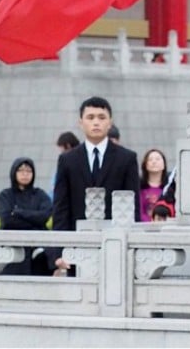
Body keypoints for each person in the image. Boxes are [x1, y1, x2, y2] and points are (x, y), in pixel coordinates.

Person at [51, 96, 139, 274]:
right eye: (90, 118)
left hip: (116, 245)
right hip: (78, 246)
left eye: (101, 117)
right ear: (81, 123)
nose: (96, 122)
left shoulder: (127, 158)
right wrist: (58, 251)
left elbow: (133, 207)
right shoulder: (68, 160)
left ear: (110, 122)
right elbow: (61, 208)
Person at [0, 157, 53, 274]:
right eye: (21, 170)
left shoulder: (40, 194)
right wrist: (34, 222)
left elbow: (44, 217)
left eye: (29, 171)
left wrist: (19, 212)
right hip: (12, 249)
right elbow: (7, 220)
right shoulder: (6, 195)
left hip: (37, 252)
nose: (25, 174)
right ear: (14, 172)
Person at [138, 148, 170, 222]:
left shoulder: (170, 188)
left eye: (158, 159)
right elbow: (139, 212)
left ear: (164, 164)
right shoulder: (139, 187)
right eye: (150, 159)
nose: (154, 162)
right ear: (145, 164)